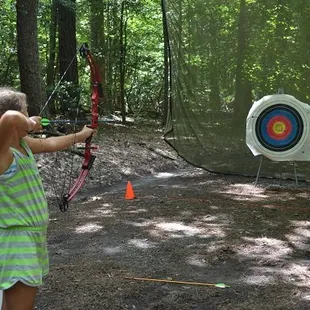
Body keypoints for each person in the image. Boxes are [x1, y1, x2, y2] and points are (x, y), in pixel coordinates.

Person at [0, 87, 94, 310]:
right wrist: (30, 123)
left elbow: (50, 144)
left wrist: (81, 136)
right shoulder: (3, 153)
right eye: (25, 111)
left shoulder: (23, 145)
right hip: (16, 241)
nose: (29, 114)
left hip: (30, 238)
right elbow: (9, 118)